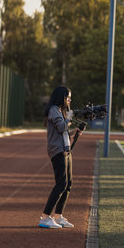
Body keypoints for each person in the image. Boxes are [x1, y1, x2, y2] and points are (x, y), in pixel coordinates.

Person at [39, 85, 77, 229]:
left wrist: (76, 131)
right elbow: (61, 127)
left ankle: (58, 216)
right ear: (62, 97)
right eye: (68, 98)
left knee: (68, 184)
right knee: (61, 184)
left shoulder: (60, 111)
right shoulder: (54, 111)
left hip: (65, 149)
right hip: (58, 151)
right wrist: (69, 118)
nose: (69, 100)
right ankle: (45, 217)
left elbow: (64, 132)